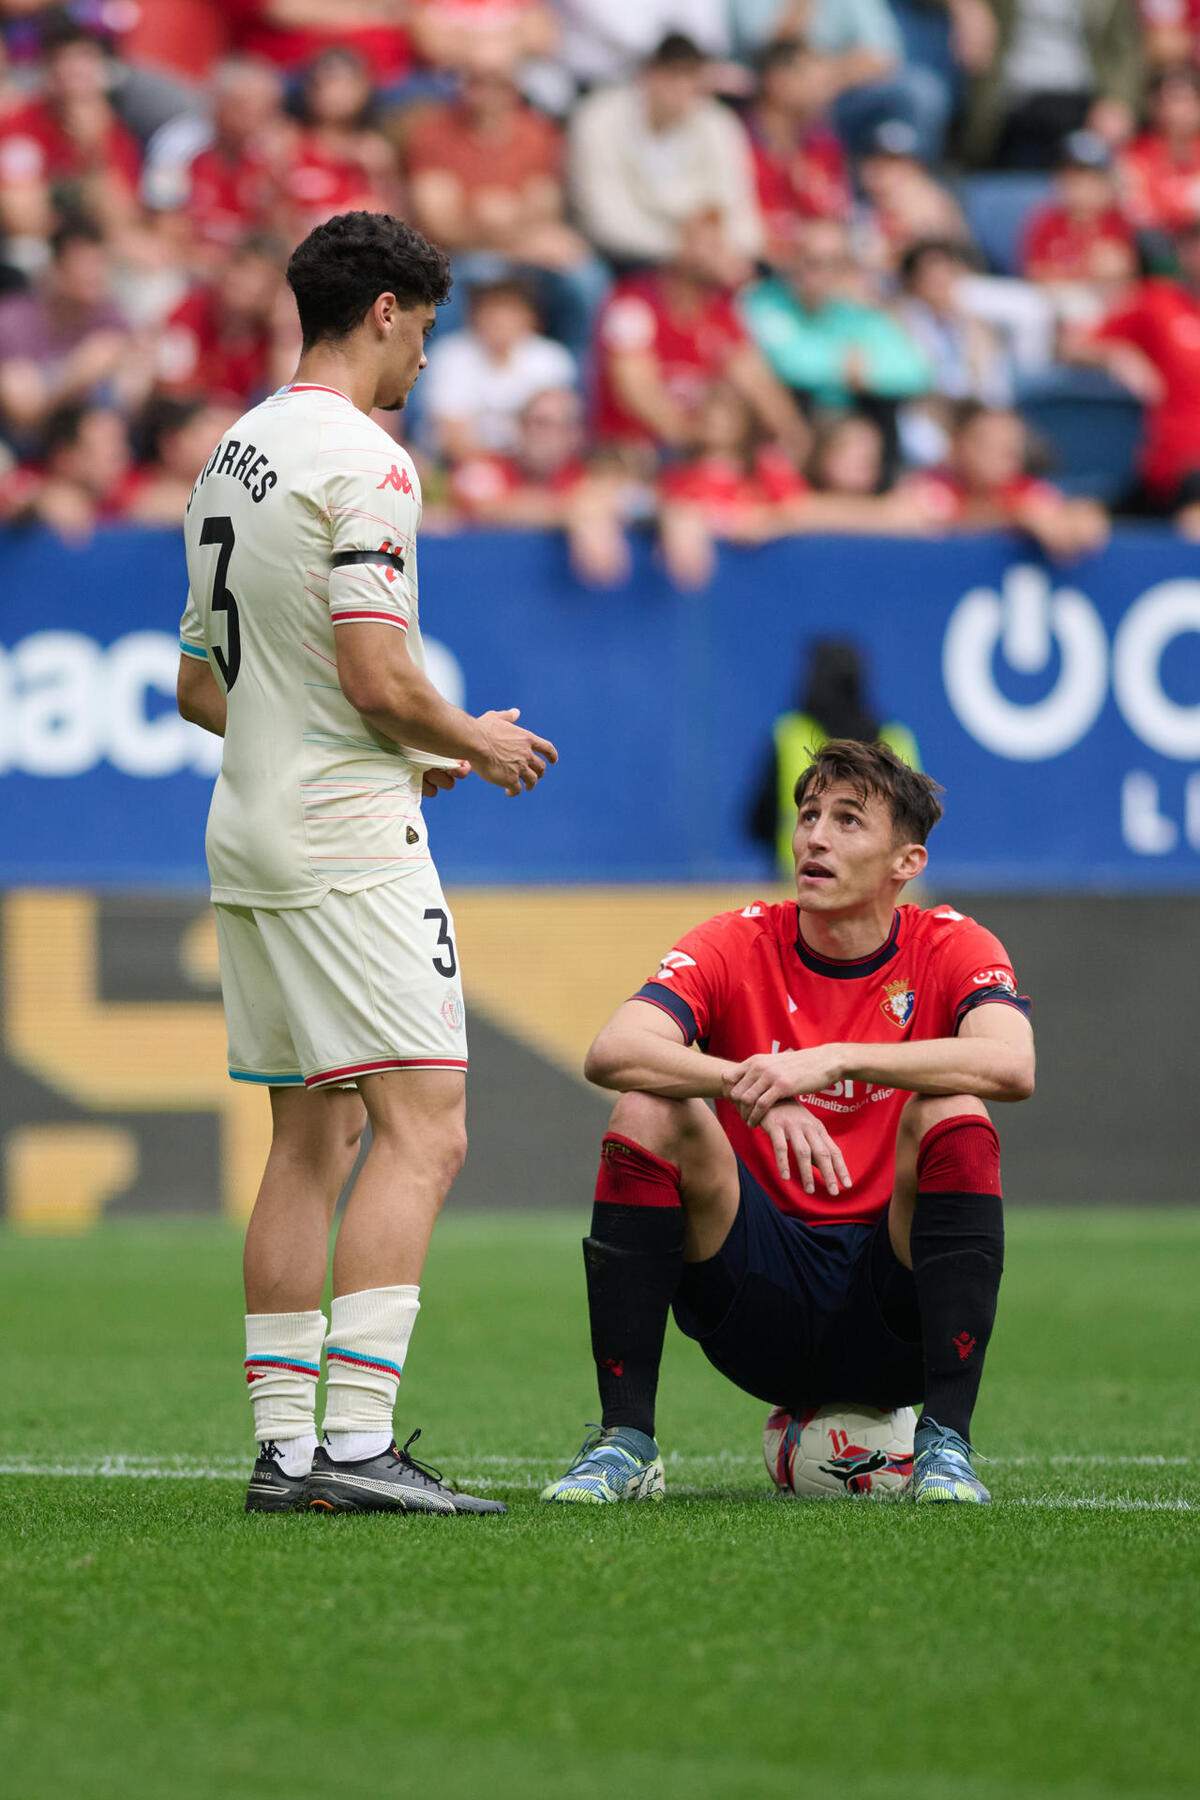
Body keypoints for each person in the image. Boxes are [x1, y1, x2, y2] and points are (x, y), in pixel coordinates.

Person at [174, 209, 558, 1516]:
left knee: (308, 1132)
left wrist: (392, 741)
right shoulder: (369, 461)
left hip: (248, 826)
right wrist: (471, 741)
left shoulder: (230, 455)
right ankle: (355, 1444)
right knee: (424, 1128)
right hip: (346, 843)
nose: (430, 363)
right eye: (428, 333)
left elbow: (198, 687)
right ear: (385, 310)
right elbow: (379, 671)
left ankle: (286, 1451)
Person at [541, 738, 1035, 1507]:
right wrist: (754, 1088)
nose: (814, 837)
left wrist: (837, 1060)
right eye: (808, 816)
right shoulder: (737, 939)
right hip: (756, 1304)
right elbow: (615, 1050)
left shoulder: (952, 944)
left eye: (847, 821)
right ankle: (625, 1440)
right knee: (646, 1108)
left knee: (955, 1109)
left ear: (906, 863)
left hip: (896, 1309)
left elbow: (1012, 1067)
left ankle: (946, 1445)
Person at [567, 31, 764, 271]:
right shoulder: (598, 118)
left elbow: (739, 211)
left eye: (691, 77)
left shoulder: (718, 124)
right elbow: (603, 220)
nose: (682, 88)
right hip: (622, 259)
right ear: (648, 75)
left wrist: (721, 250)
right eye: (673, 76)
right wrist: (680, 251)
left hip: (703, 260)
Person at [747, 638, 921, 875]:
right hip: (878, 887)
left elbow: (759, 821)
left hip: (804, 882)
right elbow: (914, 822)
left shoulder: (790, 733)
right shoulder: (896, 738)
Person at [420, 276, 577, 462]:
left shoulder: (552, 360)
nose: (501, 321)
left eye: (511, 313)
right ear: (475, 315)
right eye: (493, 312)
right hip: (461, 464)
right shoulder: (449, 356)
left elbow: (558, 432)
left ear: (530, 318)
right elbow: (451, 435)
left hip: (533, 466)